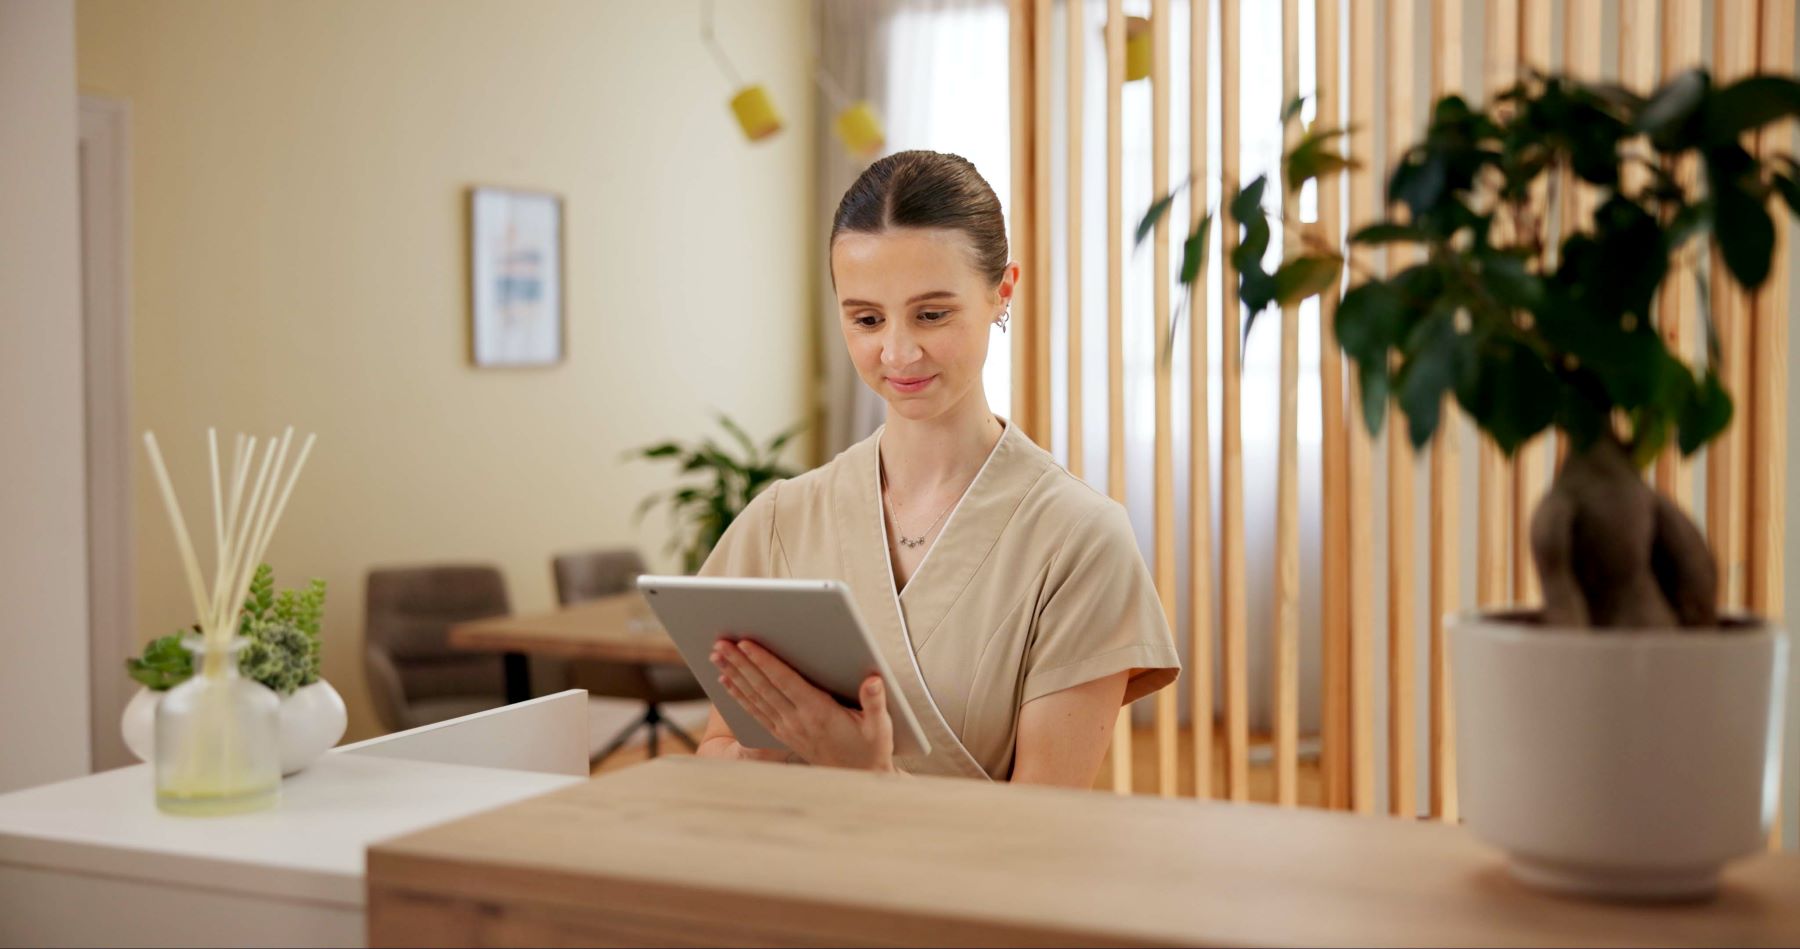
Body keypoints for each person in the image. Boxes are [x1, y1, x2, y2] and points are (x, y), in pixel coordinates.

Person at [695, 150, 1180, 786]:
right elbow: (715, 757)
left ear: (1001, 292)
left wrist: (868, 774)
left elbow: (1043, 831)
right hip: (786, 879)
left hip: (968, 889)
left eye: (931, 314)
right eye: (866, 319)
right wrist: (775, 748)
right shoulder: (780, 522)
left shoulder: (1079, 541)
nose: (897, 351)